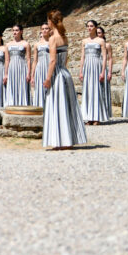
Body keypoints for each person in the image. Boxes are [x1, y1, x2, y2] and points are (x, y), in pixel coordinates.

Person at [42, 10, 86, 150]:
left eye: (48, 21)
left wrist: (48, 78)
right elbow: (65, 58)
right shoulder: (64, 37)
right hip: (65, 73)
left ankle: (60, 141)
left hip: (57, 75)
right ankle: (68, 140)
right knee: (67, 106)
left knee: (58, 106)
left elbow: (52, 60)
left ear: (51, 22)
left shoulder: (53, 39)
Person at [80, 20, 108, 125]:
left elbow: (104, 57)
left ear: (95, 27)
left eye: (91, 26)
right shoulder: (84, 41)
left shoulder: (101, 41)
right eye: (88, 26)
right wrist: (81, 71)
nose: (89, 28)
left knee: (96, 90)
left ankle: (96, 117)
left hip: (96, 66)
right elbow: (82, 57)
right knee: (87, 90)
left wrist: (102, 71)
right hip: (87, 66)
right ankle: (88, 117)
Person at [4, 24, 31, 106]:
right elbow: (7, 60)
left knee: (22, 85)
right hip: (12, 67)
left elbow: (28, 59)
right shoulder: (8, 45)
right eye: (13, 30)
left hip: (22, 67)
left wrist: (29, 73)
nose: (14, 32)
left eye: (16, 30)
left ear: (21, 31)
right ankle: (11, 105)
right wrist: (6, 74)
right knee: (12, 85)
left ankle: (23, 104)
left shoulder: (26, 44)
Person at [31, 23, 51, 108]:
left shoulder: (53, 42)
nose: (44, 30)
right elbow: (35, 61)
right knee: (40, 88)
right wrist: (32, 76)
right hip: (40, 69)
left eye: (46, 28)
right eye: (43, 29)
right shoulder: (37, 44)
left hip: (50, 68)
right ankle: (40, 109)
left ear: (50, 30)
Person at [97, 26, 113, 117]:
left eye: (99, 33)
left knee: (104, 89)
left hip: (103, 68)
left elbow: (110, 59)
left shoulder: (107, 45)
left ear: (103, 34)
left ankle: (105, 112)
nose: (98, 35)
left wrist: (110, 72)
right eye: (97, 33)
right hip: (94, 68)